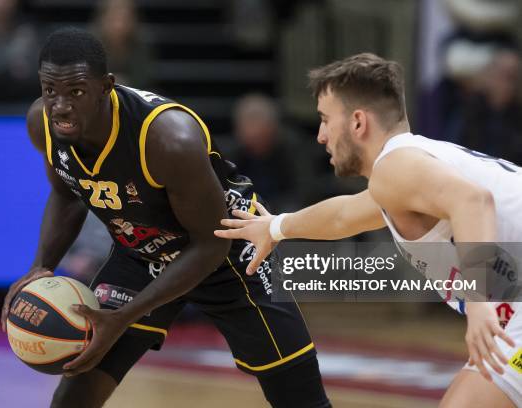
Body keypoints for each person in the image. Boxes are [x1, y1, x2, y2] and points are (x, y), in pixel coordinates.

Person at [0, 27, 330, 408]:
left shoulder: (168, 138)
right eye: (49, 90)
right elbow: (67, 194)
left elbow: (209, 244)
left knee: (302, 400)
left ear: (107, 86)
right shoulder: (42, 123)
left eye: (75, 91)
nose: (60, 105)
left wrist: (125, 316)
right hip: (142, 252)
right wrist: (41, 266)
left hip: (231, 253)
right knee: (74, 393)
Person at [215, 53, 522, 408]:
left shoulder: (397, 166)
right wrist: (276, 227)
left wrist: (481, 302)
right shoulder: (403, 174)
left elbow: (474, 202)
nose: (320, 136)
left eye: (326, 120)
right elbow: (344, 215)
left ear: (358, 122)